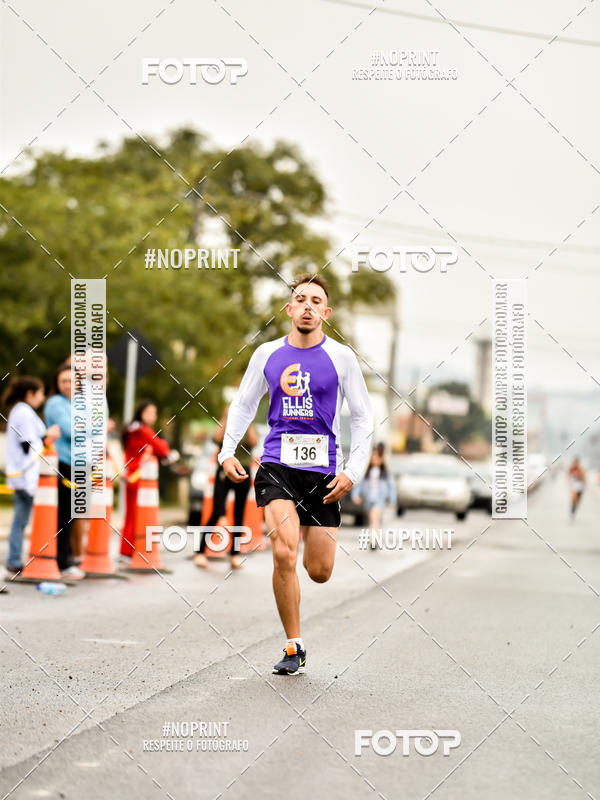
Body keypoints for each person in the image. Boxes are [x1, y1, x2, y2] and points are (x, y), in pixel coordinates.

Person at [218, 273, 373, 675]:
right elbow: (243, 405)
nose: (306, 305)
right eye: (299, 299)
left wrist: (353, 471)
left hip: (323, 472)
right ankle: (294, 645)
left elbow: (363, 417)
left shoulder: (342, 358)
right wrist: (226, 452)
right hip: (276, 466)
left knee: (318, 571)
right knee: (284, 552)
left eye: (315, 300)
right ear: (289, 309)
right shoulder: (267, 354)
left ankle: (307, 543)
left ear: (326, 311)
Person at [2, 377, 60, 576]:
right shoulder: (24, 413)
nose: (42, 398)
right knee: (22, 519)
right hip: (25, 473)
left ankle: (16, 557)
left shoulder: (20, 411)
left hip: (23, 472)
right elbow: (28, 443)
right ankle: (14, 559)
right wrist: (47, 435)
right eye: (40, 393)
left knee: (22, 518)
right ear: (30, 394)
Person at [194, 407, 258, 571]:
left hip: (243, 471)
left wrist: (247, 419)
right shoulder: (225, 425)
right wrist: (225, 417)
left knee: (239, 514)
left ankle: (234, 554)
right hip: (224, 471)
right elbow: (216, 438)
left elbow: (254, 442)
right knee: (217, 511)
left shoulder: (247, 425)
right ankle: (200, 551)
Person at [119, 401, 176, 563]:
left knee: (130, 514)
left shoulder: (132, 430)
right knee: (138, 515)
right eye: (149, 412)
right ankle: (133, 550)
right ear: (141, 413)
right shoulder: (143, 430)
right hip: (142, 478)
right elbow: (162, 448)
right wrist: (163, 446)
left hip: (131, 475)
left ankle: (126, 550)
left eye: (154, 413)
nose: (153, 416)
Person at [44, 364, 86, 579]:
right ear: (57, 383)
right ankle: (64, 561)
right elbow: (71, 430)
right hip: (62, 463)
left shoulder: (77, 403)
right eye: (63, 381)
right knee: (64, 515)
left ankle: (67, 559)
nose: (68, 385)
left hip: (77, 463)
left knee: (71, 514)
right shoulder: (55, 403)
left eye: (71, 381)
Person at [351, 448, 396, 549]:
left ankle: (373, 542)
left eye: (377, 458)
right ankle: (375, 539)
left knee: (374, 519)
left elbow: (391, 487)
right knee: (373, 520)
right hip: (368, 500)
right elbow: (359, 485)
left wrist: (392, 500)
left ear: (381, 460)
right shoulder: (367, 473)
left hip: (379, 500)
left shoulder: (385, 474)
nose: (375, 460)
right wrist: (355, 496)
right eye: (373, 457)